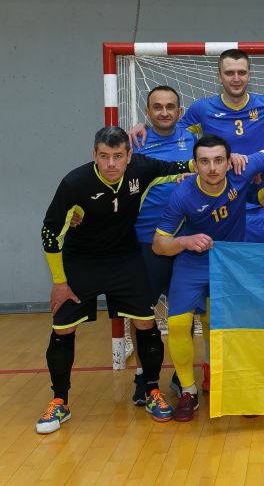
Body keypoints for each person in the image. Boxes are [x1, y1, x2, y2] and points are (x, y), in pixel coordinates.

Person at [37, 126, 193, 433]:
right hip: (82, 262)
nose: (111, 163)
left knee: (146, 323)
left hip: (125, 259)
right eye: (104, 156)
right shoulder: (74, 183)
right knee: (62, 327)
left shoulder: (142, 170)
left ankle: (151, 390)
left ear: (129, 156)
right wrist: (59, 282)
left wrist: (226, 161)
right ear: (94, 155)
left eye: (118, 156)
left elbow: (182, 165)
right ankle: (59, 402)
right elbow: (49, 233)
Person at [152, 135, 264, 421]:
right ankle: (188, 391)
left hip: (229, 261)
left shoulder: (242, 171)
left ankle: (237, 385)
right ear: (195, 164)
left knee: (232, 325)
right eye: (204, 161)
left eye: (218, 160)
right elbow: (159, 245)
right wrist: (185, 241)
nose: (212, 168)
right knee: (177, 324)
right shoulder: (183, 194)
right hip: (193, 261)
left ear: (228, 162)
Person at [130, 49, 264, 242]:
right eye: (229, 73)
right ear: (219, 76)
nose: (236, 78)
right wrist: (145, 127)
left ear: (249, 75)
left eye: (241, 72)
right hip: (219, 196)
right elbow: (170, 128)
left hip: (259, 193)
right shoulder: (202, 109)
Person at [131, 86, 196, 404]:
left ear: (179, 111)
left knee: (185, 314)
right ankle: (145, 375)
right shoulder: (135, 142)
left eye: (171, 106)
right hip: (146, 241)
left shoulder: (193, 140)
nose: (164, 112)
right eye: (157, 107)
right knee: (141, 314)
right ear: (147, 112)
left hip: (185, 241)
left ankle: (183, 376)